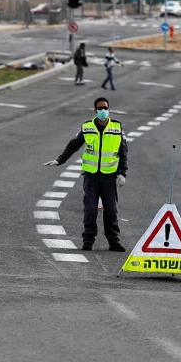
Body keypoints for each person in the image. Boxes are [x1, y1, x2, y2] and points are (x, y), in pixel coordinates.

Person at [43, 97, 128, 251]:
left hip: (109, 177)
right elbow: (73, 145)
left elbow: (123, 152)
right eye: (100, 108)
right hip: (91, 177)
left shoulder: (117, 128)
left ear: (109, 109)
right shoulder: (87, 127)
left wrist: (122, 173)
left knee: (111, 210)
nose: (103, 111)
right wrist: (60, 160)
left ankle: (114, 242)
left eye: (105, 108)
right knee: (90, 210)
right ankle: (88, 241)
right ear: (95, 110)